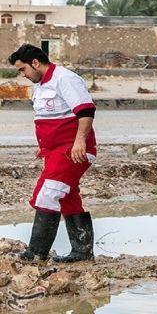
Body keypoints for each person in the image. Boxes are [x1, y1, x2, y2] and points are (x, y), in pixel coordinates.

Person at [9, 44, 97, 262]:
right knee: (67, 198)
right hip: (55, 150)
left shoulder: (65, 79)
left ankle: (37, 253)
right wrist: (45, 146)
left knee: (47, 193)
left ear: (35, 63)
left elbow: (86, 111)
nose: (23, 75)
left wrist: (79, 142)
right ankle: (82, 253)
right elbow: (50, 117)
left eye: (23, 69)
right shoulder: (39, 85)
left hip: (73, 149)